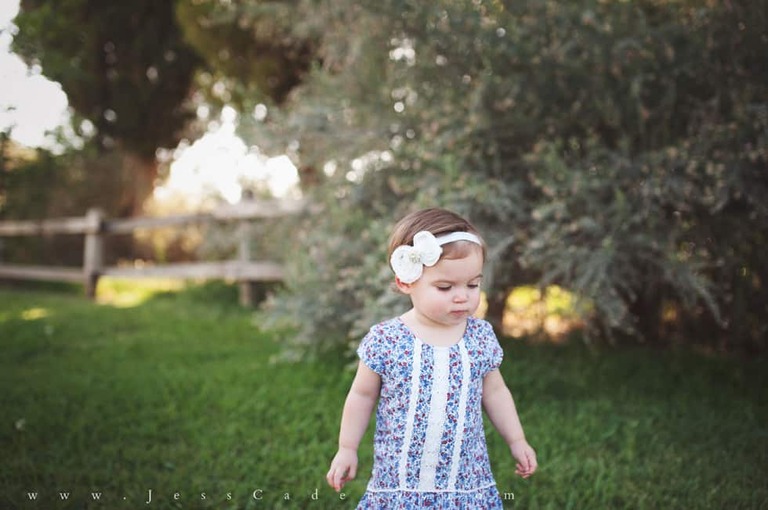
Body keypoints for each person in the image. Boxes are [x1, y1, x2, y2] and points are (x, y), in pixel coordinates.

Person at [326, 207, 537, 508]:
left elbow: (495, 392)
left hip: (465, 480)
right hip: (401, 482)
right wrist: (347, 447)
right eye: (445, 287)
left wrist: (517, 440)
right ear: (405, 283)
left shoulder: (479, 337)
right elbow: (361, 395)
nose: (462, 296)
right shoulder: (387, 340)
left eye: (473, 285)